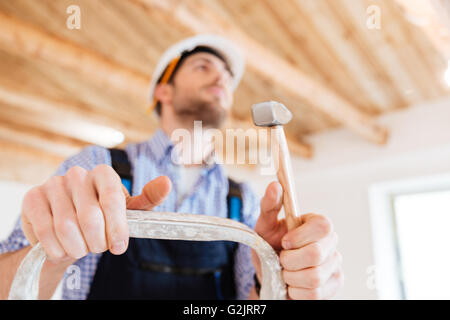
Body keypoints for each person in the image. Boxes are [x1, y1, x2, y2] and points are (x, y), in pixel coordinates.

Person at [0, 35, 343, 300]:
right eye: (203, 66)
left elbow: (249, 303)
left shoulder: (243, 201)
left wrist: (275, 278)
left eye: (226, 75)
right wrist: (53, 251)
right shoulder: (96, 167)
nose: (221, 78)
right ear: (163, 90)